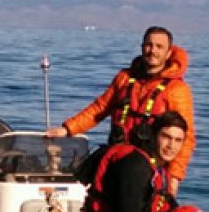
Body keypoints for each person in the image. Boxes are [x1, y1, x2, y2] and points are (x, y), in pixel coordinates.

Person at [47, 26, 195, 195]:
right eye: (148, 45)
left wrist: (174, 177)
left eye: (159, 46)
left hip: (148, 169)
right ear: (142, 48)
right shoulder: (124, 78)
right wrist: (67, 129)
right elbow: (99, 108)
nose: (152, 50)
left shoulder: (177, 90)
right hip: (116, 159)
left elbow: (186, 137)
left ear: (169, 53)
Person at [77, 111, 200, 212]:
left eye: (178, 140)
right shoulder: (135, 166)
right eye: (166, 137)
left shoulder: (159, 170)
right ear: (154, 135)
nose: (171, 146)